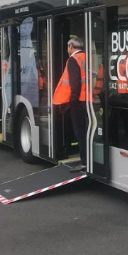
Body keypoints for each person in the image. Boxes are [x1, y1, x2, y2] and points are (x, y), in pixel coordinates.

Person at [53, 36, 89, 173]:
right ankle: (87, 159)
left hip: (78, 102)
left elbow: (75, 85)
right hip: (89, 100)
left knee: (80, 133)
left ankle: (85, 162)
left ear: (71, 47)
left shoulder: (73, 60)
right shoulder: (87, 57)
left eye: (68, 47)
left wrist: (69, 104)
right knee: (86, 132)